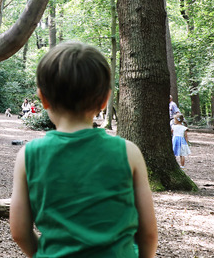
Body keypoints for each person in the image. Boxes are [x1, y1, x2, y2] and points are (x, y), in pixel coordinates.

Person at [9, 41, 157, 257]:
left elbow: (19, 232)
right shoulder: (128, 152)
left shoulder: (29, 155)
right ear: (105, 100)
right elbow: (149, 234)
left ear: (43, 99)